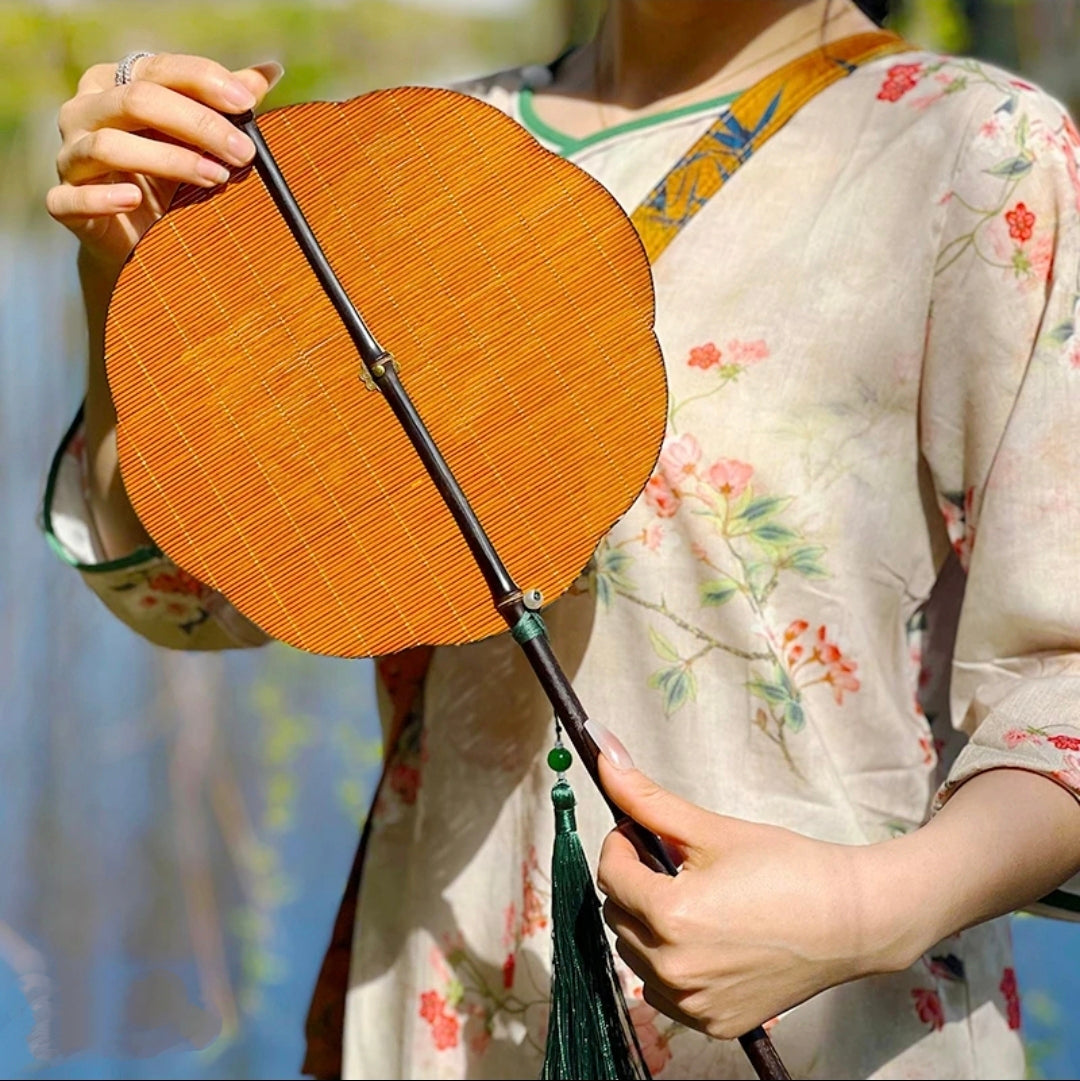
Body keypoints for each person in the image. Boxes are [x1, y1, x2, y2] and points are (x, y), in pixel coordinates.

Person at [42, 1, 1080, 1077]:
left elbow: (1063, 694)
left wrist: (861, 911)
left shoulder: (976, 151)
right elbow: (197, 589)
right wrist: (125, 273)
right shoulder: (406, 150)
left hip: (836, 1025)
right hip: (446, 999)